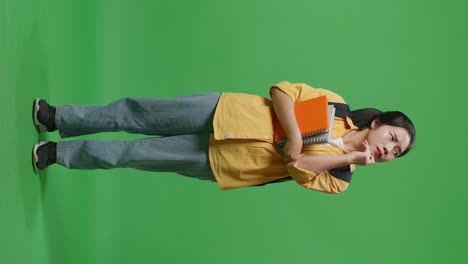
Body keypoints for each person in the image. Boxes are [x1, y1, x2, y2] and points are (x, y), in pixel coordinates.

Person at [32, 81, 415, 194]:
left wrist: (347, 157)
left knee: (133, 153)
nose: (389, 148)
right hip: (227, 111)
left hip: (227, 163)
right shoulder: (339, 107)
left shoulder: (341, 179)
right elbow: (283, 92)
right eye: (394, 137)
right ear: (379, 121)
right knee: (137, 113)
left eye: (396, 152)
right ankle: (58, 116)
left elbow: (301, 169)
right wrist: (296, 136)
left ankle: (57, 153)